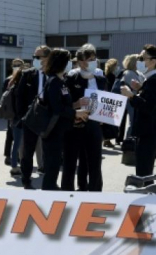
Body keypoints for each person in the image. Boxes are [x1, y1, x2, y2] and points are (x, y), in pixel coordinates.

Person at [40, 49, 86, 190]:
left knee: (55, 165)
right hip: (52, 131)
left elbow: (63, 104)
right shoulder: (54, 81)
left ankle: (52, 190)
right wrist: (76, 113)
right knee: (52, 167)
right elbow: (57, 108)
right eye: (68, 61)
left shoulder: (61, 81)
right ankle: (48, 195)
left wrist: (76, 105)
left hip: (61, 130)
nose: (70, 64)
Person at [65, 45, 108, 192]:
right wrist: (75, 104)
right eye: (85, 60)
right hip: (76, 124)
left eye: (92, 59)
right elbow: (65, 102)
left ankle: (96, 190)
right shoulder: (72, 77)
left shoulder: (101, 78)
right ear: (80, 62)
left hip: (95, 123)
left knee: (95, 159)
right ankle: (80, 188)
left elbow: (107, 100)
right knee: (75, 159)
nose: (89, 63)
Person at [121, 45, 156, 177]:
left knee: (144, 172)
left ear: (153, 61)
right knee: (144, 170)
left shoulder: (154, 81)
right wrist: (140, 88)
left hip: (149, 133)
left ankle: (147, 195)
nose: (139, 61)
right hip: (149, 132)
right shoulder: (150, 80)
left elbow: (148, 107)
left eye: (143, 58)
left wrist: (131, 95)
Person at [16, 45, 51, 189]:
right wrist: (22, 117)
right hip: (31, 118)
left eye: (38, 57)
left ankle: (50, 181)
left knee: (50, 150)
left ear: (47, 58)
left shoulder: (55, 74)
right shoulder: (28, 74)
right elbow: (19, 97)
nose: (35, 59)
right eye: (34, 56)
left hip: (49, 117)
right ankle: (26, 180)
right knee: (27, 151)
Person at [2, 59, 24, 166]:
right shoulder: (8, 80)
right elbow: (4, 96)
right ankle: (8, 155)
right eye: (15, 65)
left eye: (19, 65)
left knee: (19, 136)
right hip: (11, 111)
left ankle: (19, 156)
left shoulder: (24, 79)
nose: (17, 66)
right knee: (10, 134)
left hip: (20, 111)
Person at [5, 63, 26, 177]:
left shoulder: (12, 85)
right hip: (19, 118)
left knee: (16, 143)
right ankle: (15, 166)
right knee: (19, 143)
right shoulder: (19, 88)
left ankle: (15, 165)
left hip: (12, 118)